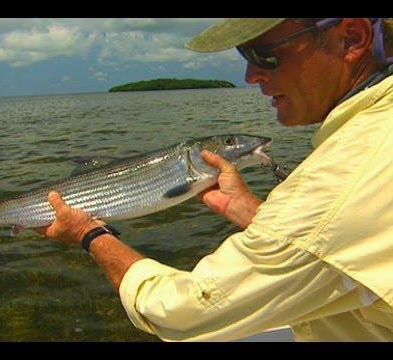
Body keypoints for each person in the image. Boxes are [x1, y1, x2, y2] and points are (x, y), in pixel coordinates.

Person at [35, 18, 393, 341]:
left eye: (264, 54)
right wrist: (254, 212)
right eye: (244, 55)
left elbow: (180, 314)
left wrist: (90, 234)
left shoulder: (338, 184)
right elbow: (339, 236)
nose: (250, 76)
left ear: (352, 38)